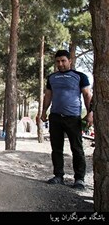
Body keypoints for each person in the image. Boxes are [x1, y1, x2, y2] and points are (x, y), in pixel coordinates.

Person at [39, 50, 93, 190]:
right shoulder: (52, 77)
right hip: (55, 117)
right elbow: (48, 96)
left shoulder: (80, 76)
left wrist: (90, 113)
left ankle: (79, 179)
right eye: (57, 61)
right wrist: (43, 111)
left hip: (73, 118)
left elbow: (87, 95)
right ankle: (58, 176)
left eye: (63, 60)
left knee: (77, 149)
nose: (60, 64)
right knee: (56, 149)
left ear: (70, 61)